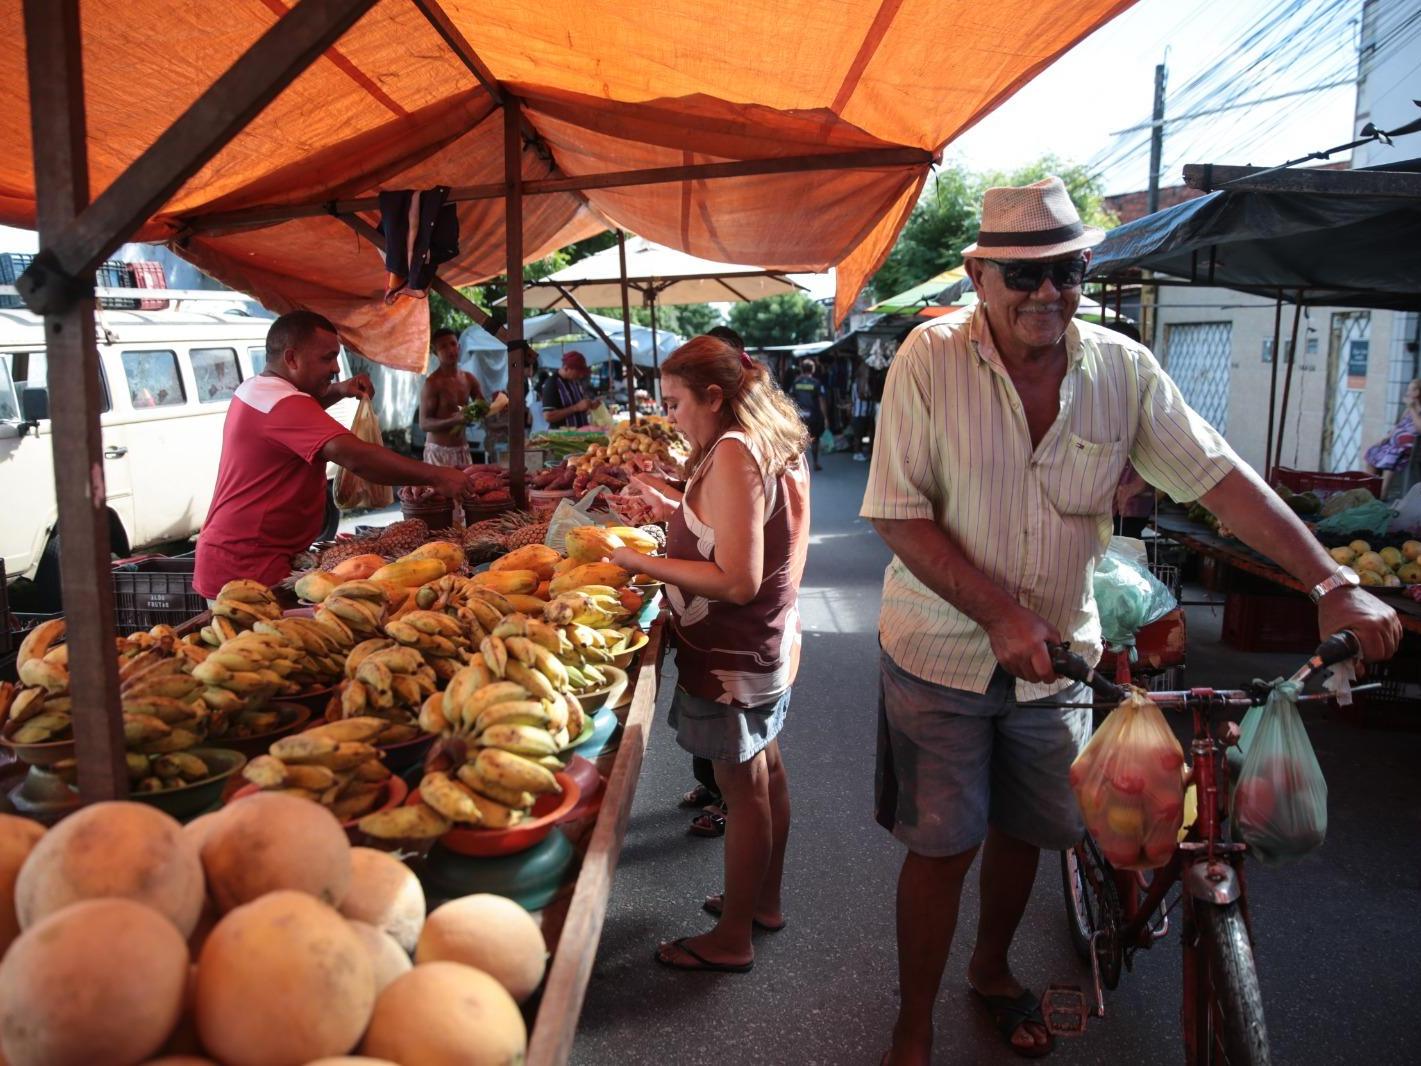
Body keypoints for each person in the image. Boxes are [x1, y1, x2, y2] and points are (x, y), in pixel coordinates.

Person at [861, 176, 1401, 1063]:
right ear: (977, 273)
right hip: (936, 651)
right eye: (1022, 274)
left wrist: (1330, 581)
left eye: (1067, 271)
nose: (1048, 293)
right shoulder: (930, 358)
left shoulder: (1121, 368)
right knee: (942, 845)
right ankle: (911, 1019)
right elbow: (894, 511)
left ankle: (990, 973)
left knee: (1027, 831)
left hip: (1062, 656)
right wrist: (997, 615)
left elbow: (1219, 478)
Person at [607, 335, 810, 973]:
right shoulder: (767, 440)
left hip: (733, 655)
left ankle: (732, 938)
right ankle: (762, 903)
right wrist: (676, 509)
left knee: (741, 785)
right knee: (766, 772)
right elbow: (744, 527)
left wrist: (637, 559)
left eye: (673, 404)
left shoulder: (732, 451)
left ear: (714, 396)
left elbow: (736, 578)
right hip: (764, 646)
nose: (669, 417)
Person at [194, 311, 472, 600]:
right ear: (292, 358)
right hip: (246, 566)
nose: (337, 368)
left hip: (247, 556)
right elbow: (356, 457)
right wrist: (435, 475)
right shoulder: (282, 403)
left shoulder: (257, 389)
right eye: (327, 358)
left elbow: (301, 413)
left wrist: (339, 390)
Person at [418, 327, 483, 468]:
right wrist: (454, 420)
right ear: (436, 353)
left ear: (459, 347)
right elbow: (424, 424)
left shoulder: (469, 379)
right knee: (437, 491)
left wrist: (500, 404)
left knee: (467, 490)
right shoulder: (432, 383)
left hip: (462, 450)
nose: (450, 350)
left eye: (453, 344)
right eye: (443, 346)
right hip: (438, 453)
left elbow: (483, 408)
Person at [1363, 377, 1421, 497]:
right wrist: (1388, 436)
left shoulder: (1416, 409)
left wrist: (1412, 408)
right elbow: (1399, 426)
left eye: (1411, 390)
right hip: (1394, 444)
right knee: (1374, 452)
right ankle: (1368, 491)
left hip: (1410, 447)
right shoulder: (1407, 410)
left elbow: (1419, 428)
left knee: (1391, 456)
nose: (1407, 393)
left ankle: (1382, 493)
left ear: (1418, 392)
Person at [790, 358, 829, 471]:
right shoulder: (816, 383)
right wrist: (825, 417)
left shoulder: (796, 383)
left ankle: (797, 464)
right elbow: (822, 401)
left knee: (798, 439)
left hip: (799, 416)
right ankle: (815, 463)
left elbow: (790, 399)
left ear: (802, 369)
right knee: (815, 439)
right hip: (814, 416)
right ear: (813, 369)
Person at [541, 351, 592, 428]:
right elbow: (548, 416)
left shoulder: (574, 382)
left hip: (579, 435)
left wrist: (590, 405)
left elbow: (580, 406)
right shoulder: (552, 384)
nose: (580, 375)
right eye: (578, 372)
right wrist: (576, 408)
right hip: (562, 438)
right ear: (566, 368)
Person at [851, 362, 877, 463]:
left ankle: (862, 452)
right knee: (859, 435)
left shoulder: (866, 382)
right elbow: (861, 396)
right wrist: (872, 397)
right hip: (858, 413)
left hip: (866, 412)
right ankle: (857, 453)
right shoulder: (857, 383)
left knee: (867, 433)